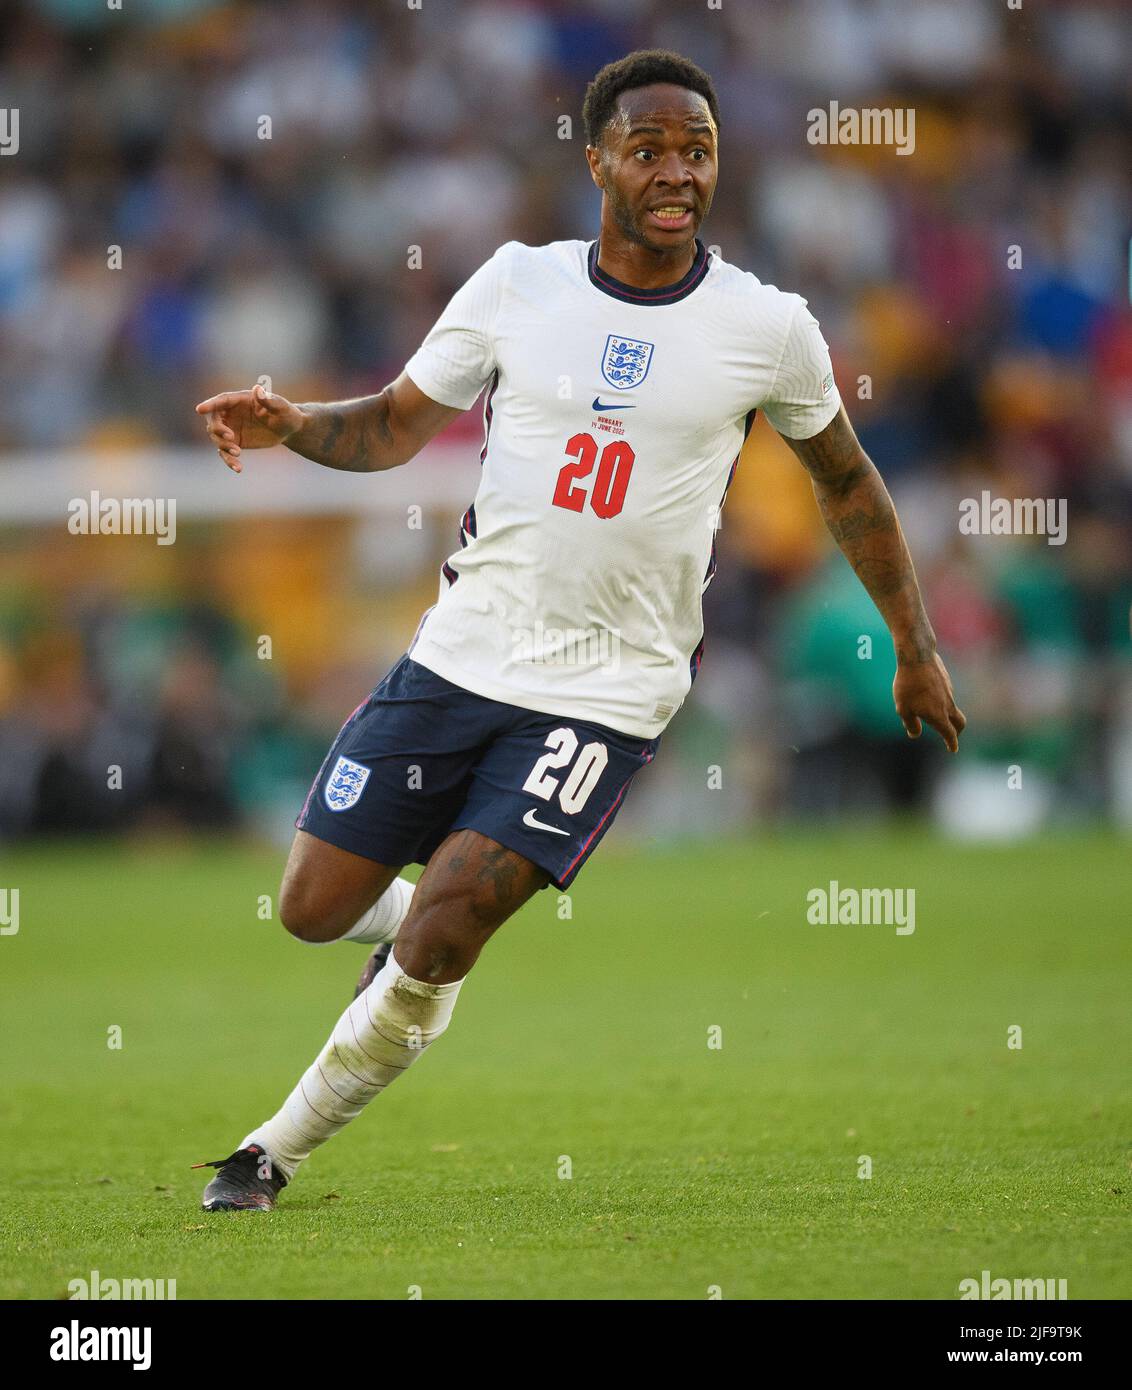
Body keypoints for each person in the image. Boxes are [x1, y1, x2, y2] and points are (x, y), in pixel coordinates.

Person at [192, 49, 965, 1211]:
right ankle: (414, 942)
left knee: (452, 922)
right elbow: (397, 425)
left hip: (608, 688)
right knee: (310, 908)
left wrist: (913, 642)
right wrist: (298, 421)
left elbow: (848, 484)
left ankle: (270, 1151)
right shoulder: (517, 284)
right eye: (649, 147)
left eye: (696, 150)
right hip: (462, 649)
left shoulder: (767, 325)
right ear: (596, 156)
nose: (676, 171)